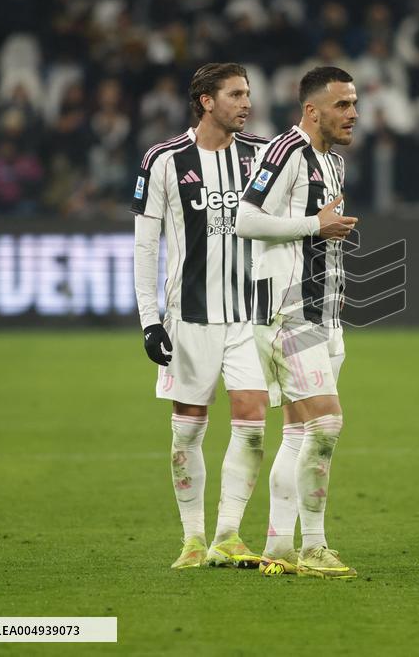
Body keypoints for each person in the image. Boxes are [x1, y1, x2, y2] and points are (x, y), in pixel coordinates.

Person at [132, 63, 271, 570]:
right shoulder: (164, 159)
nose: (246, 103)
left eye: (248, 94)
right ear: (206, 101)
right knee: (187, 431)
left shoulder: (261, 156)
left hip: (251, 317)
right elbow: (145, 247)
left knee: (253, 425)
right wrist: (150, 320)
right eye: (236, 94)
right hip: (189, 318)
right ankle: (192, 539)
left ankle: (228, 534)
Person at [235, 66, 359, 579]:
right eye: (341, 106)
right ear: (312, 110)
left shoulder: (334, 164)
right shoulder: (283, 152)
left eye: (354, 104)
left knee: (299, 432)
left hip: (325, 311)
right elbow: (244, 218)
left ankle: (279, 547)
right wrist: (315, 224)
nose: (352, 114)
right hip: (287, 311)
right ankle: (315, 547)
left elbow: (318, 234)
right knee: (327, 422)